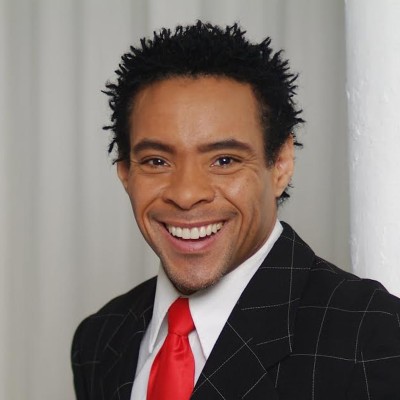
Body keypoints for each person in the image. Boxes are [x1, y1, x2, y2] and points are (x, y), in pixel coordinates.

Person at [71, 21, 400, 399]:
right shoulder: (99, 340)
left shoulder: (374, 338)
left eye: (224, 160)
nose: (187, 194)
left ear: (280, 165)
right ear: (125, 173)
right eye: (157, 161)